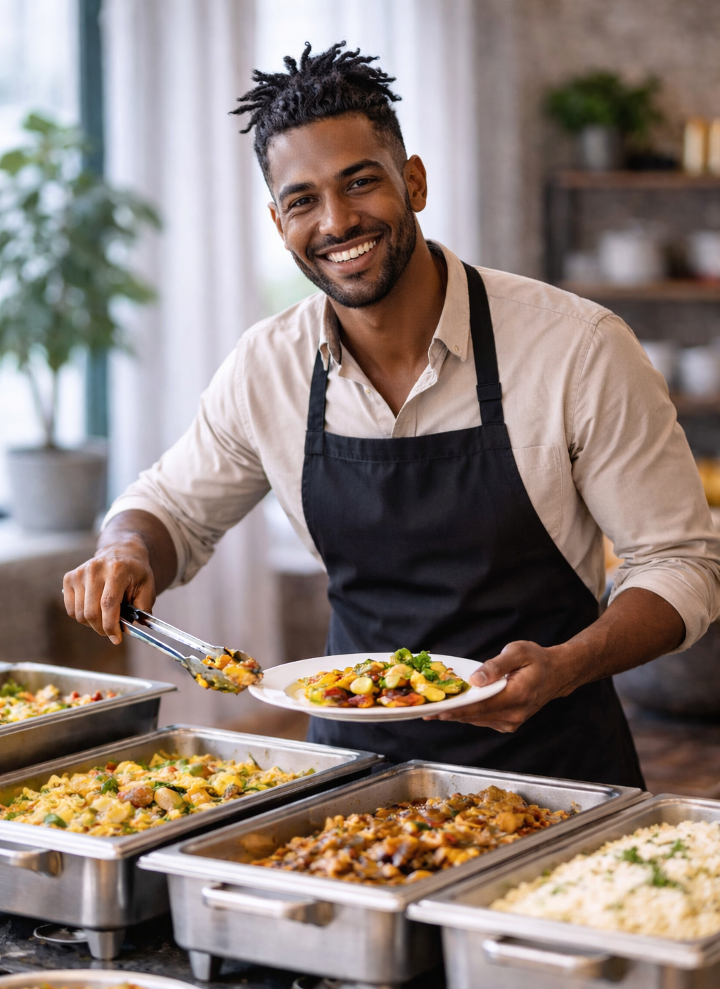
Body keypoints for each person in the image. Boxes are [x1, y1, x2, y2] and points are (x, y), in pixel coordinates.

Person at [64, 43, 720, 785]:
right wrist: (126, 549)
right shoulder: (267, 366)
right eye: (303, 200)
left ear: (414, 182)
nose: (338, 221)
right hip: (349, 781)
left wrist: (568, 666)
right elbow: (168, 512)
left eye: (361, 182)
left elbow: (680, 564)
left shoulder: (578, 347)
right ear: (279, 222)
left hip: (554, 766)